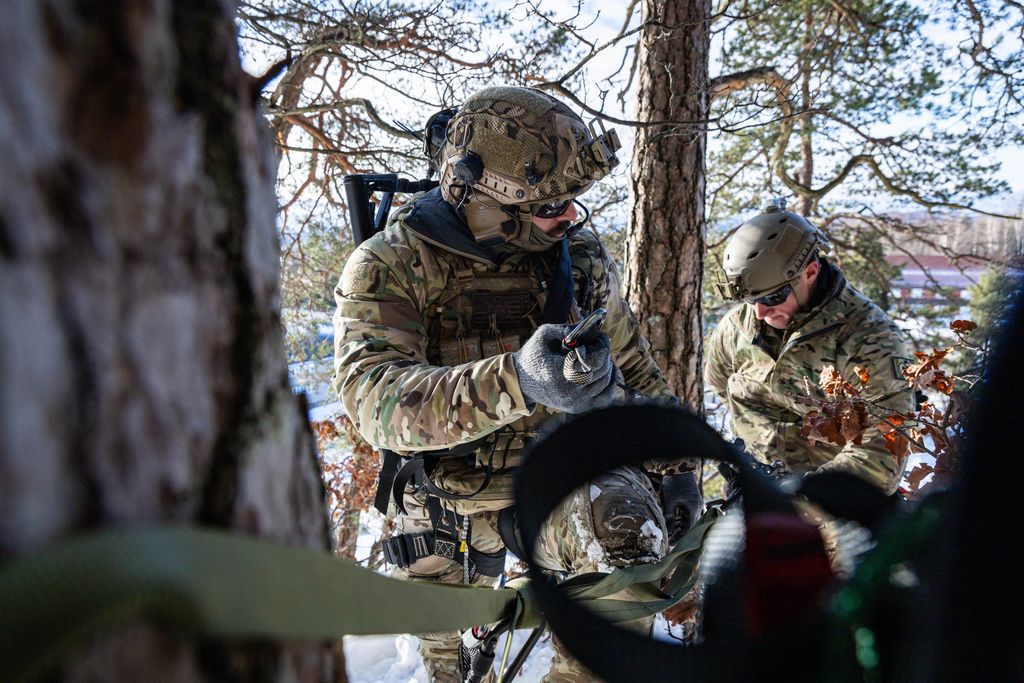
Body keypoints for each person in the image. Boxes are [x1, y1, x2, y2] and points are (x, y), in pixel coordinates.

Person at [333, 86, 700, 682]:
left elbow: (634, 367)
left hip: (561, 472)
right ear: (486, 201)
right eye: (551, 206)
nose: (570, 218)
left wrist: (677, 464)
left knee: (631, 544)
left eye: (572, 203)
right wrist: (518, 379)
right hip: (445, 491)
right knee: (447, 660)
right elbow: (376, 400)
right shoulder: (391, 263)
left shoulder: (577, 256)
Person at [706, 201, 914, 493]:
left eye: (773, 297)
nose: (760, 313)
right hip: (752, 491)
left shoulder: (869, 337)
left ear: (810, 272)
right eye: (752, 300)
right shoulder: (736, 327)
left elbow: (883, 452)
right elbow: (719, 383)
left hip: (833, 503)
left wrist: (801, 497)